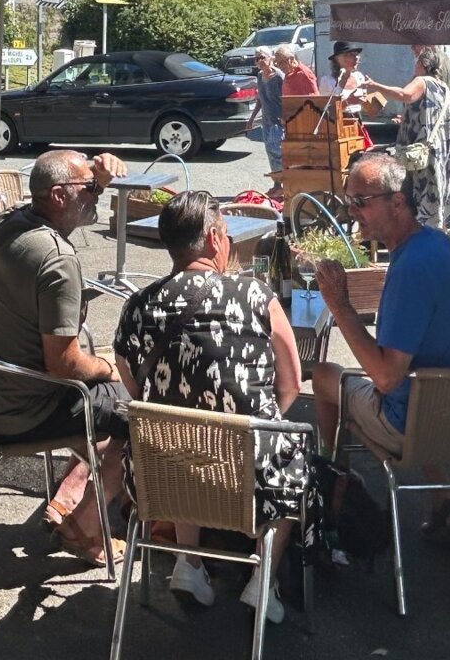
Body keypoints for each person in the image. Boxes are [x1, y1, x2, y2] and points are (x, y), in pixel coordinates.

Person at [114, 190, 306, 622]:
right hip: (246, 473)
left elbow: (135, 390)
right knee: (291, 455)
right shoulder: (256, 297)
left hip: (159, 474)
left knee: (175, 434)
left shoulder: (136, 306)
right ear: (216, 239)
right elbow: (290, 385)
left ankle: (189, 563)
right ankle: (264, 576)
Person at [313, 149, 450, 538]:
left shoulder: (409, 268)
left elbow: (385, 378)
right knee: (419, 383)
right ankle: (446, 500)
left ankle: (330, 498)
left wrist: (340, 305)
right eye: (349, 202)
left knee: (324, 376)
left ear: (397, 201)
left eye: (360, 202)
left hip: (421, 426)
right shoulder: (437, 245)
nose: (351, 212)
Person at [0, 146, 129, 566]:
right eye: (89, 189)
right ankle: (86, 526)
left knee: (109, 400)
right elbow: (65, 365)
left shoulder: (7, 227)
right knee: (140, 409)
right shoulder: (59, 262)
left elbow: (54, 222)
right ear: (59, 195)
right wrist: (109, 368)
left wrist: (95, 182)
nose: (96, 195)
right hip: (26, 412)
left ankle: (73, 494)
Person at [364, 47, 450, 234]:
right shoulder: (442, 86)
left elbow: (405, 94)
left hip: (420, 152)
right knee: (435, 193)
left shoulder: (422, 80)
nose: (414, 65)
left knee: (416, 194)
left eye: (417, 61)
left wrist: (376, 86)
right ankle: (438, 233)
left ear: (424, 64)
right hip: (439, 151)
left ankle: (418, 234)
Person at [414, 42, 450, 133]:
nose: (412, 48)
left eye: (415, 44)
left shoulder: (436, 63)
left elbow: (429, 95)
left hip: (443, 120)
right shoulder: (439, 58)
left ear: (427, 46)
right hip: (444, 118)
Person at [248, 46, 285, 176]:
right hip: (267, 120)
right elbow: (260, 99)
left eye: (262, 57)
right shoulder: (259, 76)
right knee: (270, 152)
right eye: (257, 59)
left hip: (279, 120)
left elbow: (287, 99)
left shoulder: (279, 76)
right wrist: (252, 119)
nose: (259, 61)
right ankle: (276, 184)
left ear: (270, 58)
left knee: (277, 150)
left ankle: (283, 183)